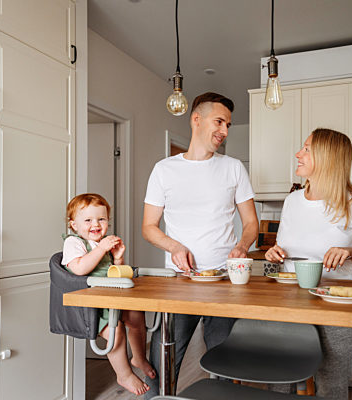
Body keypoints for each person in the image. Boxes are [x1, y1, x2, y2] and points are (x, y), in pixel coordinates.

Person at [142, 92, 259, 398]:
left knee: (225, 364)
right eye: (219, 121)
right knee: (161, 363)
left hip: (224, 282)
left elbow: (251, 224)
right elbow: (149, 227)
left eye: (229, 125)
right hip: (180, 283)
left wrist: (243, 246)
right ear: (196, 119)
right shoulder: (164, 170)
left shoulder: (233, 167)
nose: (225, 130)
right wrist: (174, 246)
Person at [265, 128, 352, 400]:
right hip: (290, 303)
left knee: (332, 386)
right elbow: (283, 253)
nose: (298, 154)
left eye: (306, 149)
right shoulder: (292, 201)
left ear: (328, 157)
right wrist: (275, 254)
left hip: (337, 306)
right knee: (278, 382)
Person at [62, 193, 156, 396]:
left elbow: (112, 274)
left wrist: (118, 258)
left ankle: (139, 357)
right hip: (90, 306)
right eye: (87, 220)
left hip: (109, 298)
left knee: (136, 315)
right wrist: (101, 249)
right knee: (117, 330)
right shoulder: (73, 243)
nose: (95, 224)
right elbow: (80, 269)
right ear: (74, 225)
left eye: (101, 219)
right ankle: (123, 374)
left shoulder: (101, 243)